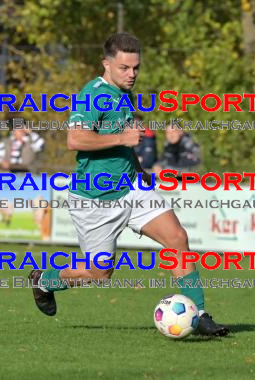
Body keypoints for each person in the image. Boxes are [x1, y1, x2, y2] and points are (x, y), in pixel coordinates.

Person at [28, 33, 229, 337]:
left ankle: (199, 315)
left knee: (177, 238)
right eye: (124, 68)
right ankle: (44, 281)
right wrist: (123, 138)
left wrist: (138, 169)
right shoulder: (91, 95)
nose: (132, 74)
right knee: (99, 273)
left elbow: (126, 141)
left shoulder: (125, 94)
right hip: (95, 199)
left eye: (135, 68)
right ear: (105, 64)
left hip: (132, 187)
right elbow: (75, 139)